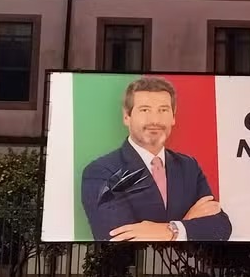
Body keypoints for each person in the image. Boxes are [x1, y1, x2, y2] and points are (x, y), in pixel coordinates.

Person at [80, 76, 232, 242]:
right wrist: (186, 224)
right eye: (145, 110)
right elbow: (119, 240)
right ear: (126, 117)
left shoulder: (189, 166)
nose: (155, 120)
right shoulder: (101, 172)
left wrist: (171, 229)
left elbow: (221, 227)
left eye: (163, 110)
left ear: (173, 117)